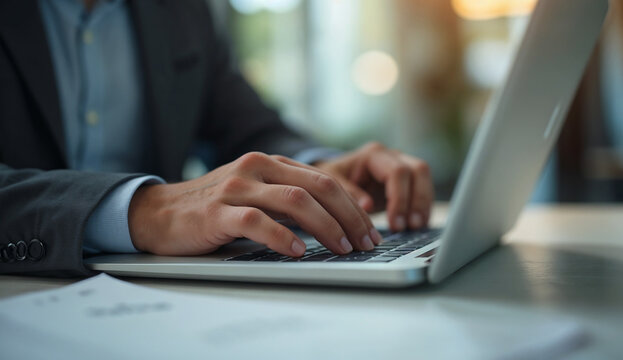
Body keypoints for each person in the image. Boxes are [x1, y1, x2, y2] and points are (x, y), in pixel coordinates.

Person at [0, 0, 433, 276]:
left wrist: (312, 174)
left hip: (167, 301)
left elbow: (247, 128)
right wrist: (142, 209)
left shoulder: (182, 12)